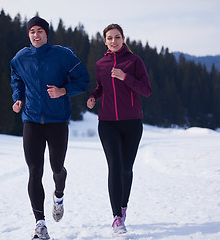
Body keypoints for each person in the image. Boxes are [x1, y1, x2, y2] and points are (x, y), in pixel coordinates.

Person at [10, 16, 89, 239]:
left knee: (57, 168)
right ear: (29, 35)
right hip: (32, 121)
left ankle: (59, 195)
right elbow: (16, 79)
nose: (36, 35)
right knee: (35, 172)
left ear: (47, 33)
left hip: (57, 121)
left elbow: (83, 80)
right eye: (32, 31)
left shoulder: (63, 55)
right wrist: (18, 98)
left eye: (40, 31)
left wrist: (63, 91)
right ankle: (40, 224)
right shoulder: (21, 58)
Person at [87, 24, 151, 234]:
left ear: (123, 39)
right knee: (114, 166)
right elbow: (100, 87)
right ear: (104, 41)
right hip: (107, 123)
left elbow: (146, 90)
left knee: (126, 169)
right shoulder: (100, 64)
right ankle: (116, 217)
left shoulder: (134, 61)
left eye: (117, 37)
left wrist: (126, 77)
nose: (113, 41)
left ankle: (123, 206)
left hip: (132, 122)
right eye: (109, 38)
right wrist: (93, 97)